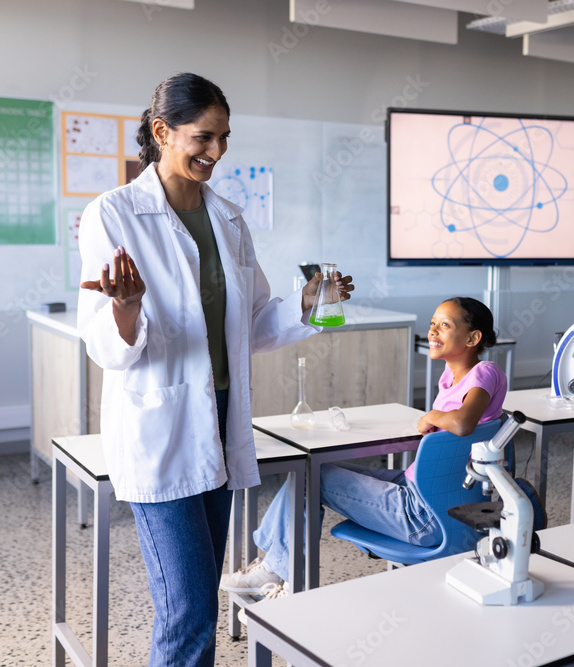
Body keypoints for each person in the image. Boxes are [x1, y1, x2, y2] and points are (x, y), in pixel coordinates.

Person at [77, 72, 352, 666]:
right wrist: (124, 306)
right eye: (203, 137)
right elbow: (106, 345)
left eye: (224, 138)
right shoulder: (114, 214)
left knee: (197, 601)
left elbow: (250, 325)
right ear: (161, 132)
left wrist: (307, 305)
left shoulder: (228, 217)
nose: (217, 152)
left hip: (223, 424)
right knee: (188, 613)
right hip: (161, 431)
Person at [220, 296, 507, 598]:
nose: (433, 331)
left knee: (307, 479)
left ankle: (276, 572)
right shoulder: (452, 374)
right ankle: (276, 566)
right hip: (430, 495)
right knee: (313, 469)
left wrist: (432, 416)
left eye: (445, 325)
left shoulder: (485, 372)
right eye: (433, 323)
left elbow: (462, 424)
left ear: (473, 338)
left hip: (422, 515)